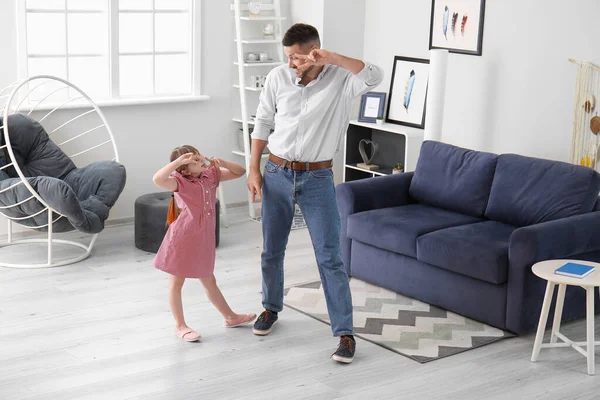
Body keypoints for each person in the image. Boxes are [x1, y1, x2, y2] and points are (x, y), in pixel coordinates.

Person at [246, 23, 384, 363]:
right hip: (276, 172)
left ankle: (345, 334)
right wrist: (253, 168)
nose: (292, 64)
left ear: (314, 51)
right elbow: (263, 121)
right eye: (288, 58)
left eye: (297, 57)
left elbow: (375, 76)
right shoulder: (279, 78)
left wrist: (333, 57)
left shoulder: (341, 80)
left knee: (329, 257)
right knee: (271, 250)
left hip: (318, 177)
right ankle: (270, 307)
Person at [153, 145, 256, 342]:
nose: (202, 162)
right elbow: (157, 179)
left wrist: (223, 163)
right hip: (182, 239)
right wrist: (177, 163)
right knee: (176, 283)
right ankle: (180, 326)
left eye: (200, 158)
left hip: (203, 239)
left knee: (209, 280)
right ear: (183, 169)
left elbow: (240, 172)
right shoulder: (178, 182)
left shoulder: (211, 176)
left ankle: (230, 317)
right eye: (195, 161)